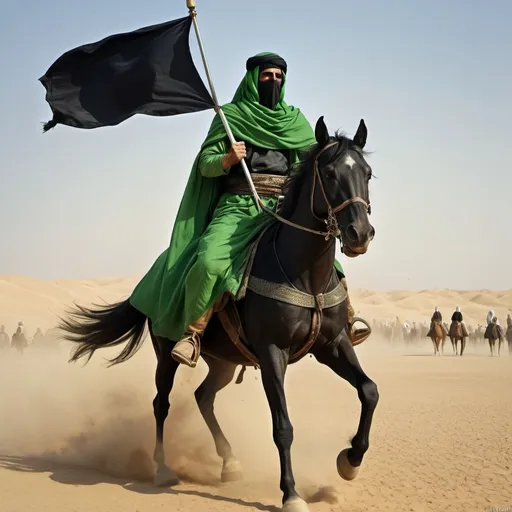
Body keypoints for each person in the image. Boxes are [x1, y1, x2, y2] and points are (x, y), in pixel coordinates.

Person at [129, 52, 367, 368]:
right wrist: (226, 160)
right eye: (267, 76)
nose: (273, 82)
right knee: (210, 262)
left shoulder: (295, 121)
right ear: (253, 79)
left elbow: (308, 167)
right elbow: (204, 165)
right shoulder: (231, 117)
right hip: (237, 207)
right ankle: (193, 333)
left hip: (281, 207)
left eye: (279, 77)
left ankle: (346, 320)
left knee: (324, 256)